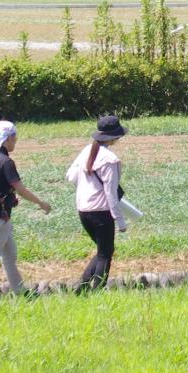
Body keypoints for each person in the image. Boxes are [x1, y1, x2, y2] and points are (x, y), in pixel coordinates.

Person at [0, 120, 52, 297]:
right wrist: (41, 203)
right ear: (6, 139)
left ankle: (21, 292)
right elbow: (20, 189)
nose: (16, 140)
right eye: (14, 137)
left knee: (9, 255)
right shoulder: (5, 162)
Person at [66, 114, 127, 290]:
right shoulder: (110, 160)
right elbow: (110, 193)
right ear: (116, 137)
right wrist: (120, 220)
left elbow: (70, 176)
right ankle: (96, 290)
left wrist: (87, 185)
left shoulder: (87, 150)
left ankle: (82, 287)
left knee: (103, 251)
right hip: (101, 213)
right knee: (105, 253)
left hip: (83, 210)